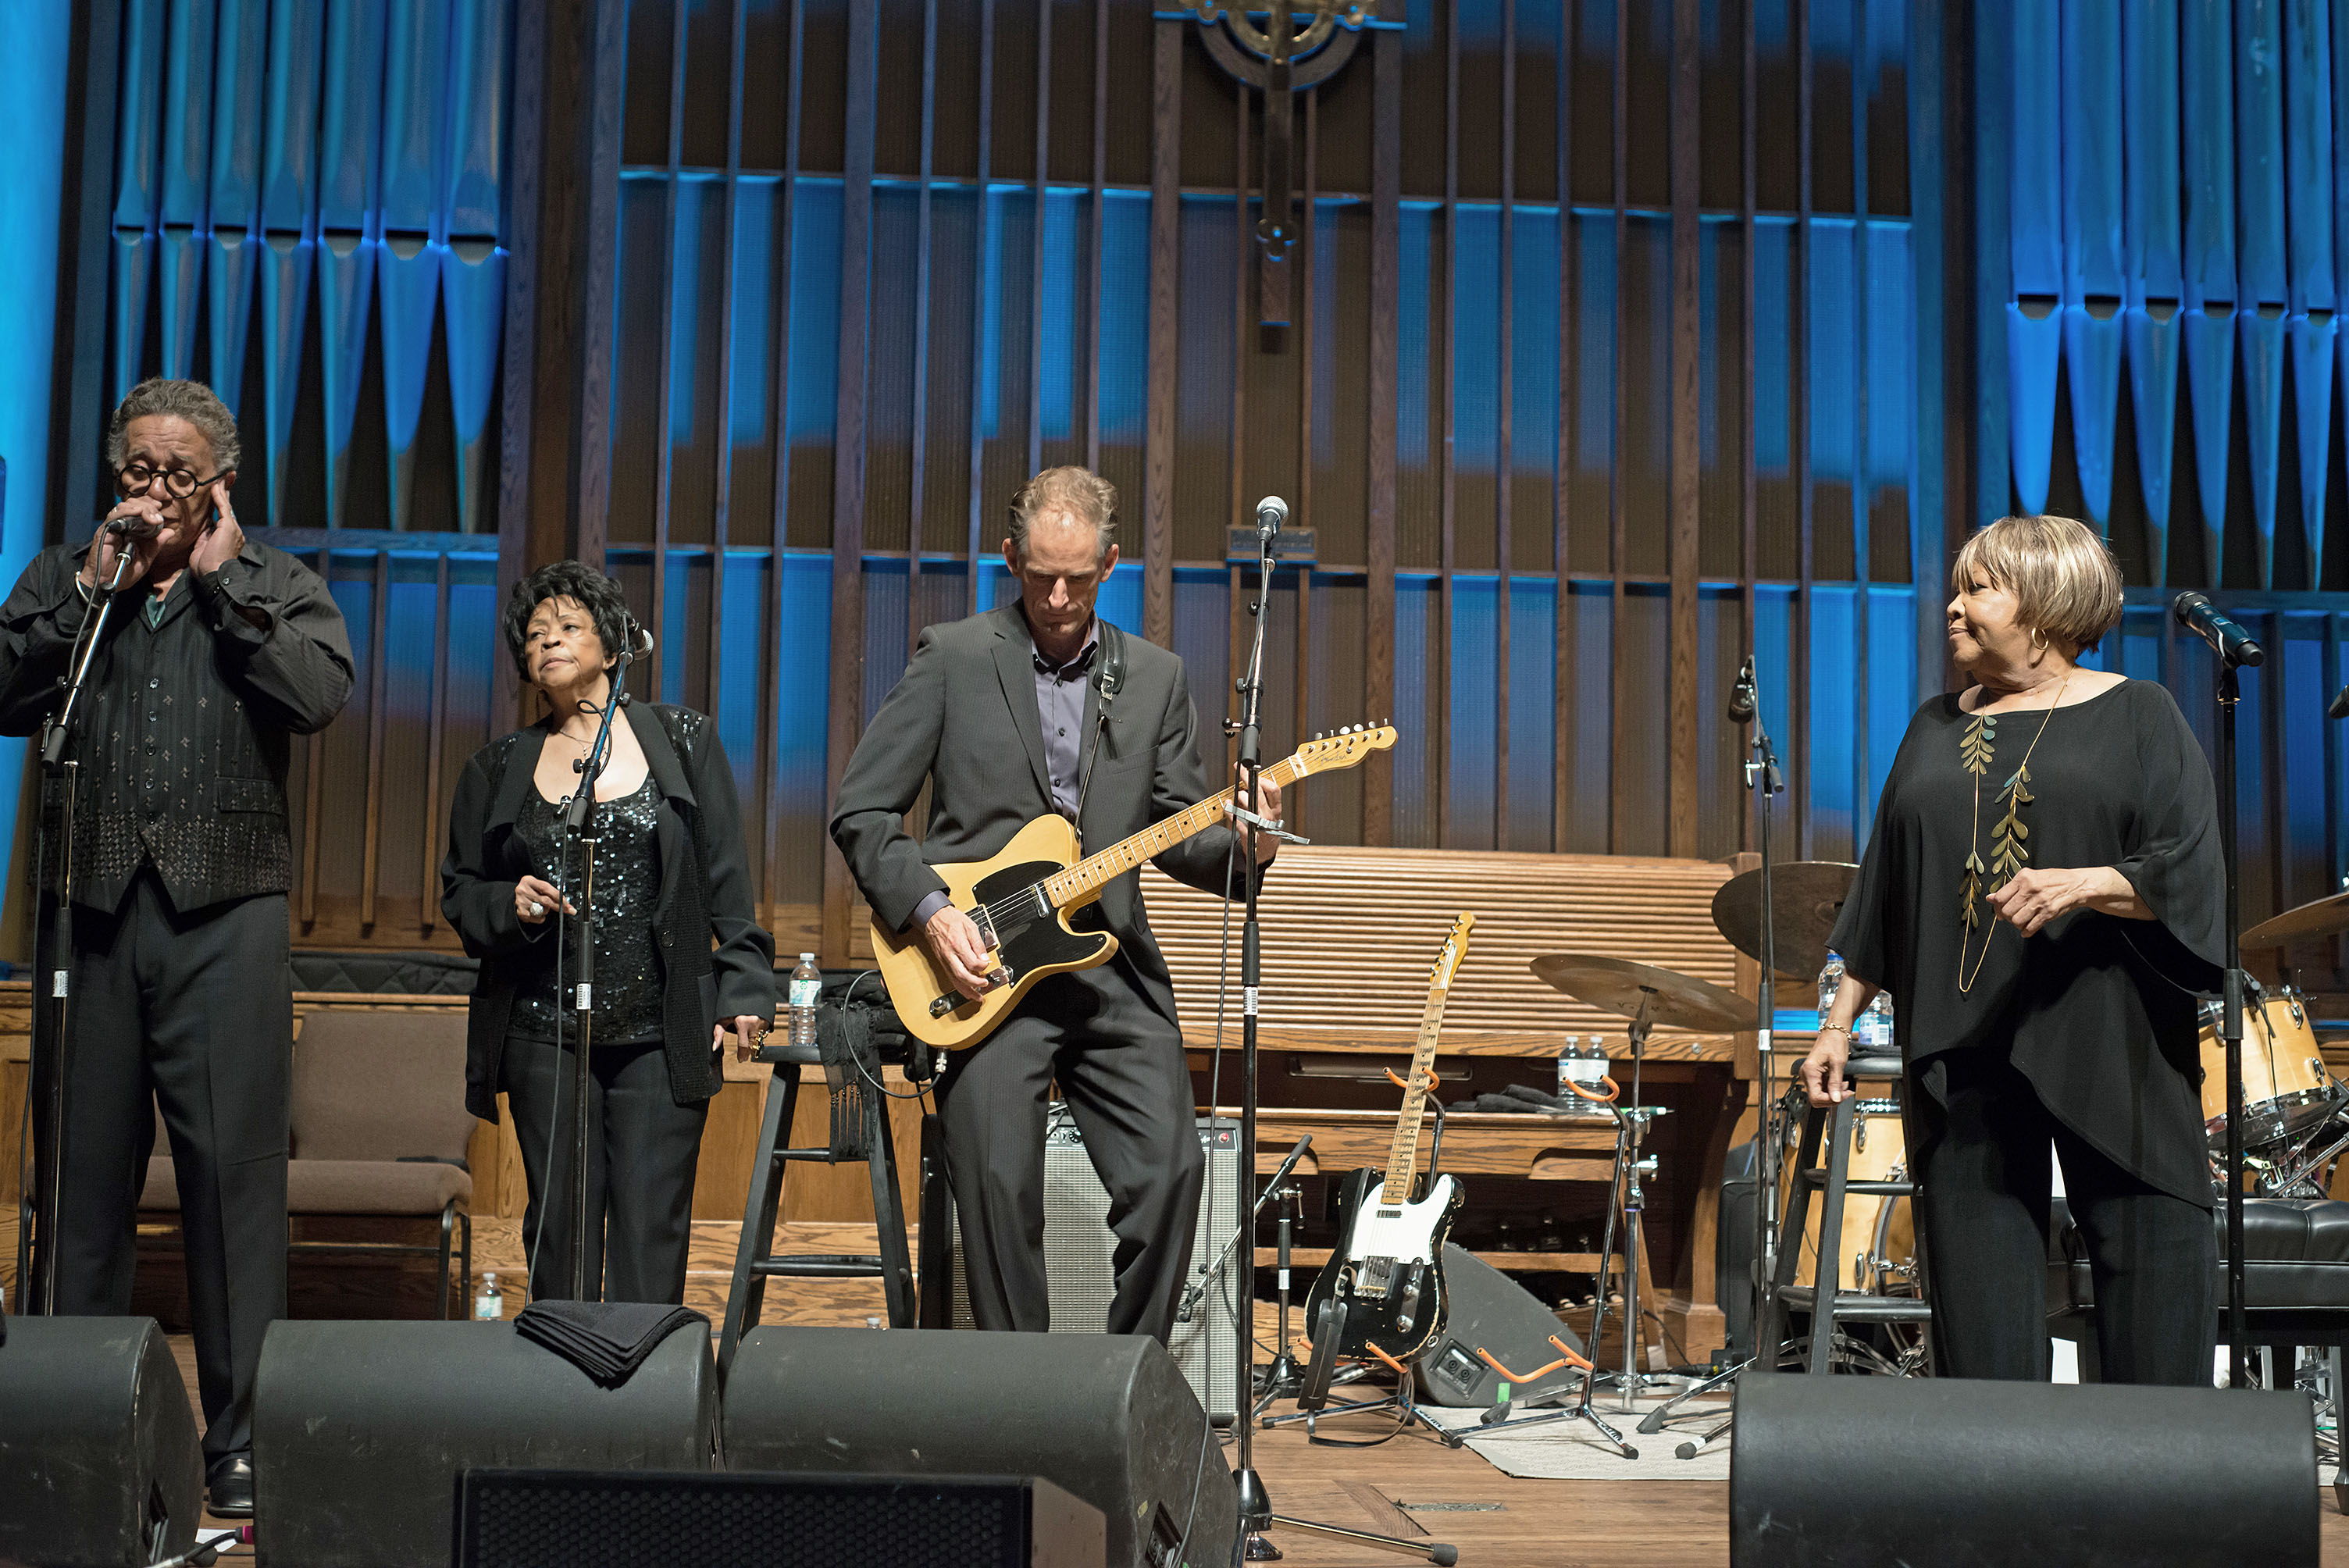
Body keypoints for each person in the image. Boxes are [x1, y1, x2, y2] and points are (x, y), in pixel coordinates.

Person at [0, 377, 355, 1514]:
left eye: (178, 474)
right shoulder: (69, 579)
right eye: (138, 473)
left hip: (225, 924)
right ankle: (75, 1426)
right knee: (79, 1183)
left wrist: (221, 595)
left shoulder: (276, 585)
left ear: (221, 484)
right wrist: (85, 600)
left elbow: (314, 698)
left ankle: (240, 1443)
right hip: (87, 918)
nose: (154, 492)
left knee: (231, 1188)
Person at [829, 466, 1279, 1342]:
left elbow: (1182, 835)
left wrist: (1248, 844)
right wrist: (930, 912)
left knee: (1172, 1173)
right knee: (994, 1181)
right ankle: (1021, 1395)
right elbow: (861, 809)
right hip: (985, 971)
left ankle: (1123, 1386)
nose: (1060, 596)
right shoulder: (953, 657)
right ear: (1009, 559)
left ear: (1111, 562)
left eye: (1078, 576)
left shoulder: (1152, 677)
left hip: (1108, 967)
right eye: (1040, 576)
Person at [1799, 514, 2224, 1385]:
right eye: (1956, 589)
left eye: (1976, 590)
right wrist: (1836, 1021)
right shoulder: (1930, 726)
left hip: (2113, 1040)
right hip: (1964, 1047)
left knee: (2152, 1276)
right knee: (1980, 1315)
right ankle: (2001, 1505)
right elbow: (1884, 885)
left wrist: (2086, 882)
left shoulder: (2139, 714)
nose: (1951, 608)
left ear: (2044, 604)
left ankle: (2159, 1499)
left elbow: (2189, 867)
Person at [441, 561, 773, 1307]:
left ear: (614, 648)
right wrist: (509, 903)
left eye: (567, 628)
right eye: (533, 636)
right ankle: (560, 1398)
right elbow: (460, 891)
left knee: (650, 1225)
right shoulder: (496, 767)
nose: (547, 642)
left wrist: (743, 989)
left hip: (661, 1031)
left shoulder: (684, 741)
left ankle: (646, 1402)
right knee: (559, 1228)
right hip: (542, 1031)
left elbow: (728, 880)